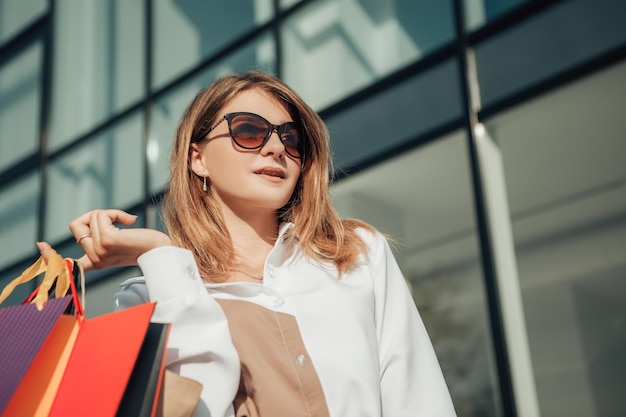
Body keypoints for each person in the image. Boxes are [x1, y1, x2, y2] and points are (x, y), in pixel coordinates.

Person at [39, 71, 457, 416]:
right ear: (197, 157)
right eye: (249, 131)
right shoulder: (152, 294)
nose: (276, 147)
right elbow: (198, 408)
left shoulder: (356, 254)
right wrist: (159, 255)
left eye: (291, 140)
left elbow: (419, 399)